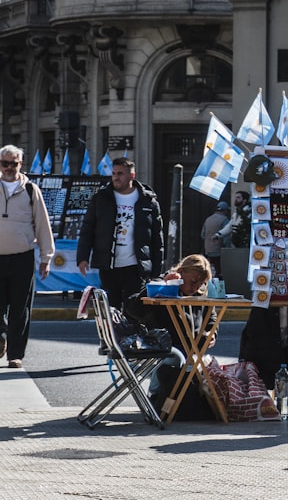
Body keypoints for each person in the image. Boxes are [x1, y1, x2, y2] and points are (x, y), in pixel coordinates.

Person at [77, 157, 164, 309]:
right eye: (114, 173)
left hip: (136, 266)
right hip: (109, 264)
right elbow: (87, 229)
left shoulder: (148, 200)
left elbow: (157, 236)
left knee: (135, 309)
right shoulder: (101, 198)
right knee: (112, 309)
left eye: (120, 173)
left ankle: (135, 333)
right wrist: (82, 257)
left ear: (131, 175)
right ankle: (115, 333)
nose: (116, 177)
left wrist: (156, 269)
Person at [124, 254, 216, 398]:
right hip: (162, 347)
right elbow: (132, 309)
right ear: (181, 272)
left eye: (201, 283)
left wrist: (211, 333)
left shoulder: (200, 295)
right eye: (193, 281)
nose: (196, 287)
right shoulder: (163, 284)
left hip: (192, 349)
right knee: (175, 357)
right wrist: (161, 287)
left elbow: (212, 316)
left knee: (209, 368)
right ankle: (155, 397)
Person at [0, 145, 54, 368]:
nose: (10, 168)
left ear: (21, 165)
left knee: (21, 309)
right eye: (5, 163)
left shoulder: (31, 190)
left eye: (14, 163)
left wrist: (46, 257)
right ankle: (1, 338)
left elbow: (42, 224)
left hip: (22, 256)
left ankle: (15, 354)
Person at [201, 201, 230, 277]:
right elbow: (226, 237)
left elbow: (202, 235)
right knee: (219, 271)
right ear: (225, 210)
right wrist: (227, 248)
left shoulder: (208, 219)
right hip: (219, 251)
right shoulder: (225, 220)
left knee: (209, 270)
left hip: (208, 250)